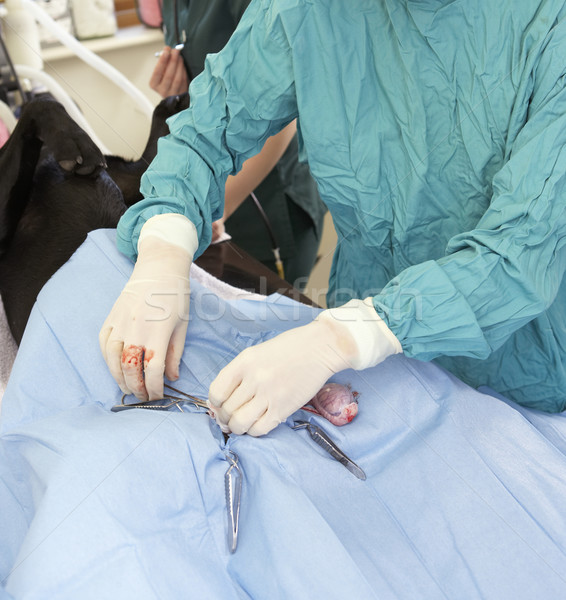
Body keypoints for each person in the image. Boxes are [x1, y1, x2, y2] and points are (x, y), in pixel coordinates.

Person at [100, 0, 566, 436]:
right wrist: (165, 245)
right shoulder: (313, 10)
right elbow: (208, 129)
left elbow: (520, 251)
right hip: (377, 366)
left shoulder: (546, 25)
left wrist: (338, 341)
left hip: (523, 371)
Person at [147, 0, 327, 289]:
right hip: (213, 203)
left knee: (273, 320)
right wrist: (182, 94)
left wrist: (214, 209)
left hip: (269, 207)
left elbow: (283, 107)